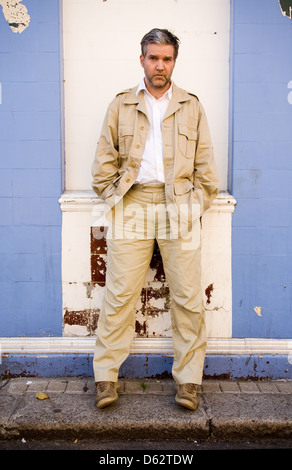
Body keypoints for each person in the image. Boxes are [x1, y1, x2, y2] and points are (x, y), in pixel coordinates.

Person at [91, 28, 219, 411]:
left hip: (178, 205)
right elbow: (102, 165)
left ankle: (189, 381)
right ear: (142, 59)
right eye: (153, 57)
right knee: (120, 294)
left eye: (166, 58)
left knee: (187, 297)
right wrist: (116, 196)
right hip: (132, 203)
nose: (159, 65)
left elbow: (207, 172)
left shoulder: (191, 106)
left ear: (174, 61)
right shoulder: (121, 105)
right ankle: (105, 378)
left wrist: (193, 205)